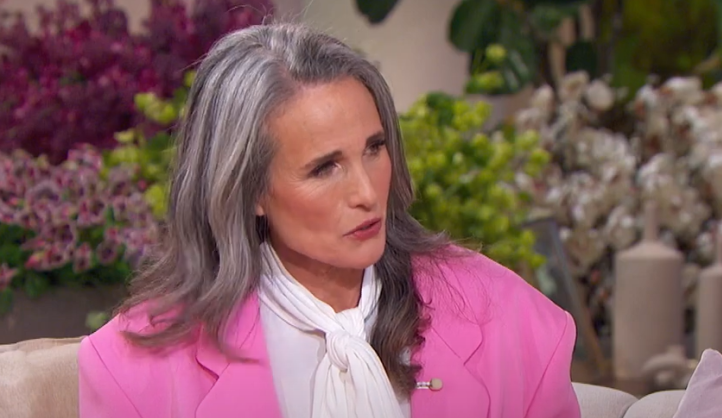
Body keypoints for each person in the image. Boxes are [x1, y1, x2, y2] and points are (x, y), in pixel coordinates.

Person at [78, 23, 580, 418]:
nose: (366, 193)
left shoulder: (511, 320)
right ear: (248, 189)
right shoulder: (134, 369)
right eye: (324, 168)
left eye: (374, 149)